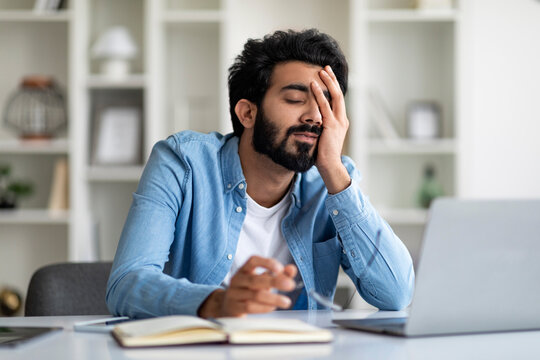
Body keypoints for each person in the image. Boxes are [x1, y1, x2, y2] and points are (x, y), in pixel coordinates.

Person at [106, 29, 414, 319]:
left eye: (327, 103)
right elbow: (127, 284)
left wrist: (334, 170)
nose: (315, 116)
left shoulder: (333, 180)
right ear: (248, 113)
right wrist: (216, 302)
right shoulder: (183, 162)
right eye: (295, 99)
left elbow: (396, 294)